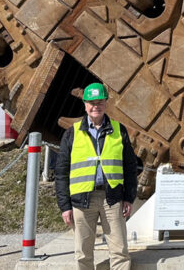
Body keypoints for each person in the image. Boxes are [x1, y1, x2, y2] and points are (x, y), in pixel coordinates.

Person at [55, 83, 136, 270]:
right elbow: (61, 173)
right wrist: (65, 206)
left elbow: (130, 167)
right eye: (91, 103)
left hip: (112, 198)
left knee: (120, 252)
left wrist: (129, 197)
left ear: (105, 103)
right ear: (85, 105)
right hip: (82, 200)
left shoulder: (119, 130)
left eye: (99, 102)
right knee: (83, 254)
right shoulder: (72, 133)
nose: (95, 107)